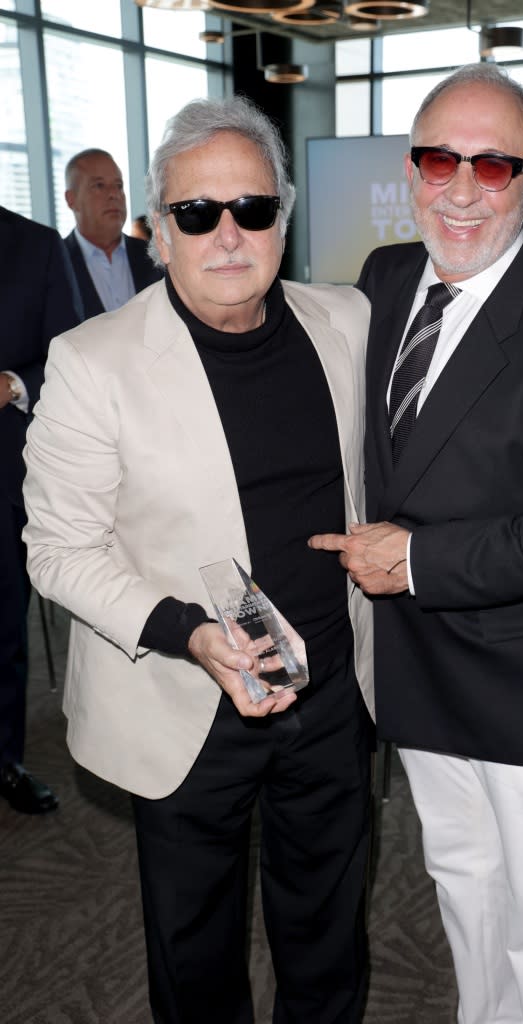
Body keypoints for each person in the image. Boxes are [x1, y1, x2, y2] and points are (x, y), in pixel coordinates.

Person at [309, 64, 523, 1024]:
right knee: (464, 888)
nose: (460, 190)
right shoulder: (382, 276)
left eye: (492, 166)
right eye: (437, 160)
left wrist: (413, 560)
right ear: (410, 169)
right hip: (418, 668)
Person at [23, 96, 373, 1024]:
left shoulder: (346, 322)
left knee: (328, 930)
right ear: (158, 231)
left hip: (333, 689)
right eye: (196, 213)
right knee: (195, 946)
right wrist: (187, 634)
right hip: (185, 696)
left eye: (252, 210)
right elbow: (56, 549)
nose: (228, 235)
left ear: (282, 222)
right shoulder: (92, 360)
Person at [0, 205, 82, 814]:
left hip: (5, 473)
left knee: (4, 628)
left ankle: (5, 762)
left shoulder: (33, 245)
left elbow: (65, 353)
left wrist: (12, 384)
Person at [64, 148, 162, 318]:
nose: (114, 194)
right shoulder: (57, 262)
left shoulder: (155, 255)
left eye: (119, 186)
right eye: (99, 185)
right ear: (71, 199)